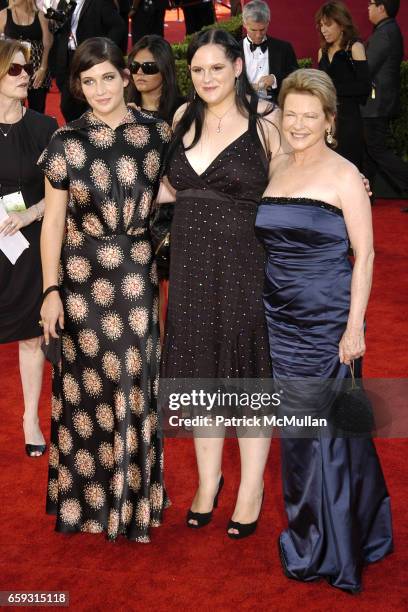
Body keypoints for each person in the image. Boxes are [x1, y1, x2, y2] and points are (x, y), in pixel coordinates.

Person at [255, 68, 393, 593]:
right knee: (300, 435)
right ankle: (357, 527)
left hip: (326, 320)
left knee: (326, 434)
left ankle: (332, 548)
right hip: (278, 317)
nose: (298, 124)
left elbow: (366, 255)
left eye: (310, 117)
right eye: (291, 114)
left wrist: (354, 326)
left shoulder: (344, 175)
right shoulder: (275, 164)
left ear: (329, 121)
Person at [38, 37, 171, 540]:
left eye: (107, 77)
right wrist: (50, 289)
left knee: (134, 382)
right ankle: (88, 506)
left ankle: (133, 504)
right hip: (80, 278)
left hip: (135, 273)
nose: (99, 89)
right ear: (78, 86)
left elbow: (186, 185)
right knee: (85, 386)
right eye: (88, 81)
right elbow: (53, 224)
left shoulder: (157, 134)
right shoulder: (65, 141)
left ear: (126, 76)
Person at [160, 29, 281, 538]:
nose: (206, 77)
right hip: (189, 267)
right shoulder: (183, 119)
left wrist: (348, 185)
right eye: (198, 69)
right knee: (201, 374)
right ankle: (209, 483)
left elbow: (296, 182)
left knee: (247, 375)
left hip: (245, 266)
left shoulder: (267, 125)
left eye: (216, 67)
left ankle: (250, 489)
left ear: (237, 67)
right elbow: (168, 186)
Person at [0, 38, 57, 456]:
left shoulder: (44, 128)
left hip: (28, 242)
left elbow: (60, 196)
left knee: (31, 337)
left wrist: (29, 214)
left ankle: (30, 419)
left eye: (28, 68)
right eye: (15, 70)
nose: (27, 76)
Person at [361, 0, 408, 205]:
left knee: (376, 149)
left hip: (376, 104)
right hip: (377, 103)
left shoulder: (384, 33)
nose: (368, 8)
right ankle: (366, 196)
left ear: (382, 8)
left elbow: (367, 67)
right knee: (370, 150)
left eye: (371, 4)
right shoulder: (387, 30)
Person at [49, 0, 126, 122]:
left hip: (91, 59)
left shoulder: (99, 2)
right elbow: (58, 32)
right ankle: (77, 133)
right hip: (68, 59)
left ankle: (93, 133)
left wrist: (103, 51)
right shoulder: (64, 3)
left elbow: (118, 26)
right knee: (67, 105)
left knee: (91, 103)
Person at [316, 1, 370, 170]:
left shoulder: (354, 48)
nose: (324, 30)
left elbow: (364, 88)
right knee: (327, 167)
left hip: (349, 120)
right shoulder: (322, 52)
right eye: (321, 25)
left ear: (342, 24)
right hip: (327, 120)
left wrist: (332, 89)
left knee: (350, 167)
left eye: (328, 25)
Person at [0, 0, 53, 113]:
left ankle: (35, 130)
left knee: (37, 109)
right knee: (14, 108)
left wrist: (43, 68)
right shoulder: (3, 14)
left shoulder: (41, 15)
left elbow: (47, 44)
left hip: (37, 69)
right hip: (13, 69)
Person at [241, 0, 298, 104]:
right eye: (253, 30)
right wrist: (246, 87)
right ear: (244, 24)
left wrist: (274, 79)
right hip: (242, 106)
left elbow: (296, 76)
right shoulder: (234, 50)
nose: (258, 35)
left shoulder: (284, 48)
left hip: (275, 105)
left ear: (268, 22)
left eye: (262, 29)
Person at [127, 34, 184, 123]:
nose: (139, 72)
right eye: (134, 66)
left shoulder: (184, 111)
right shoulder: (125, 112)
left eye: (148, 67)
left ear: (164, 69)